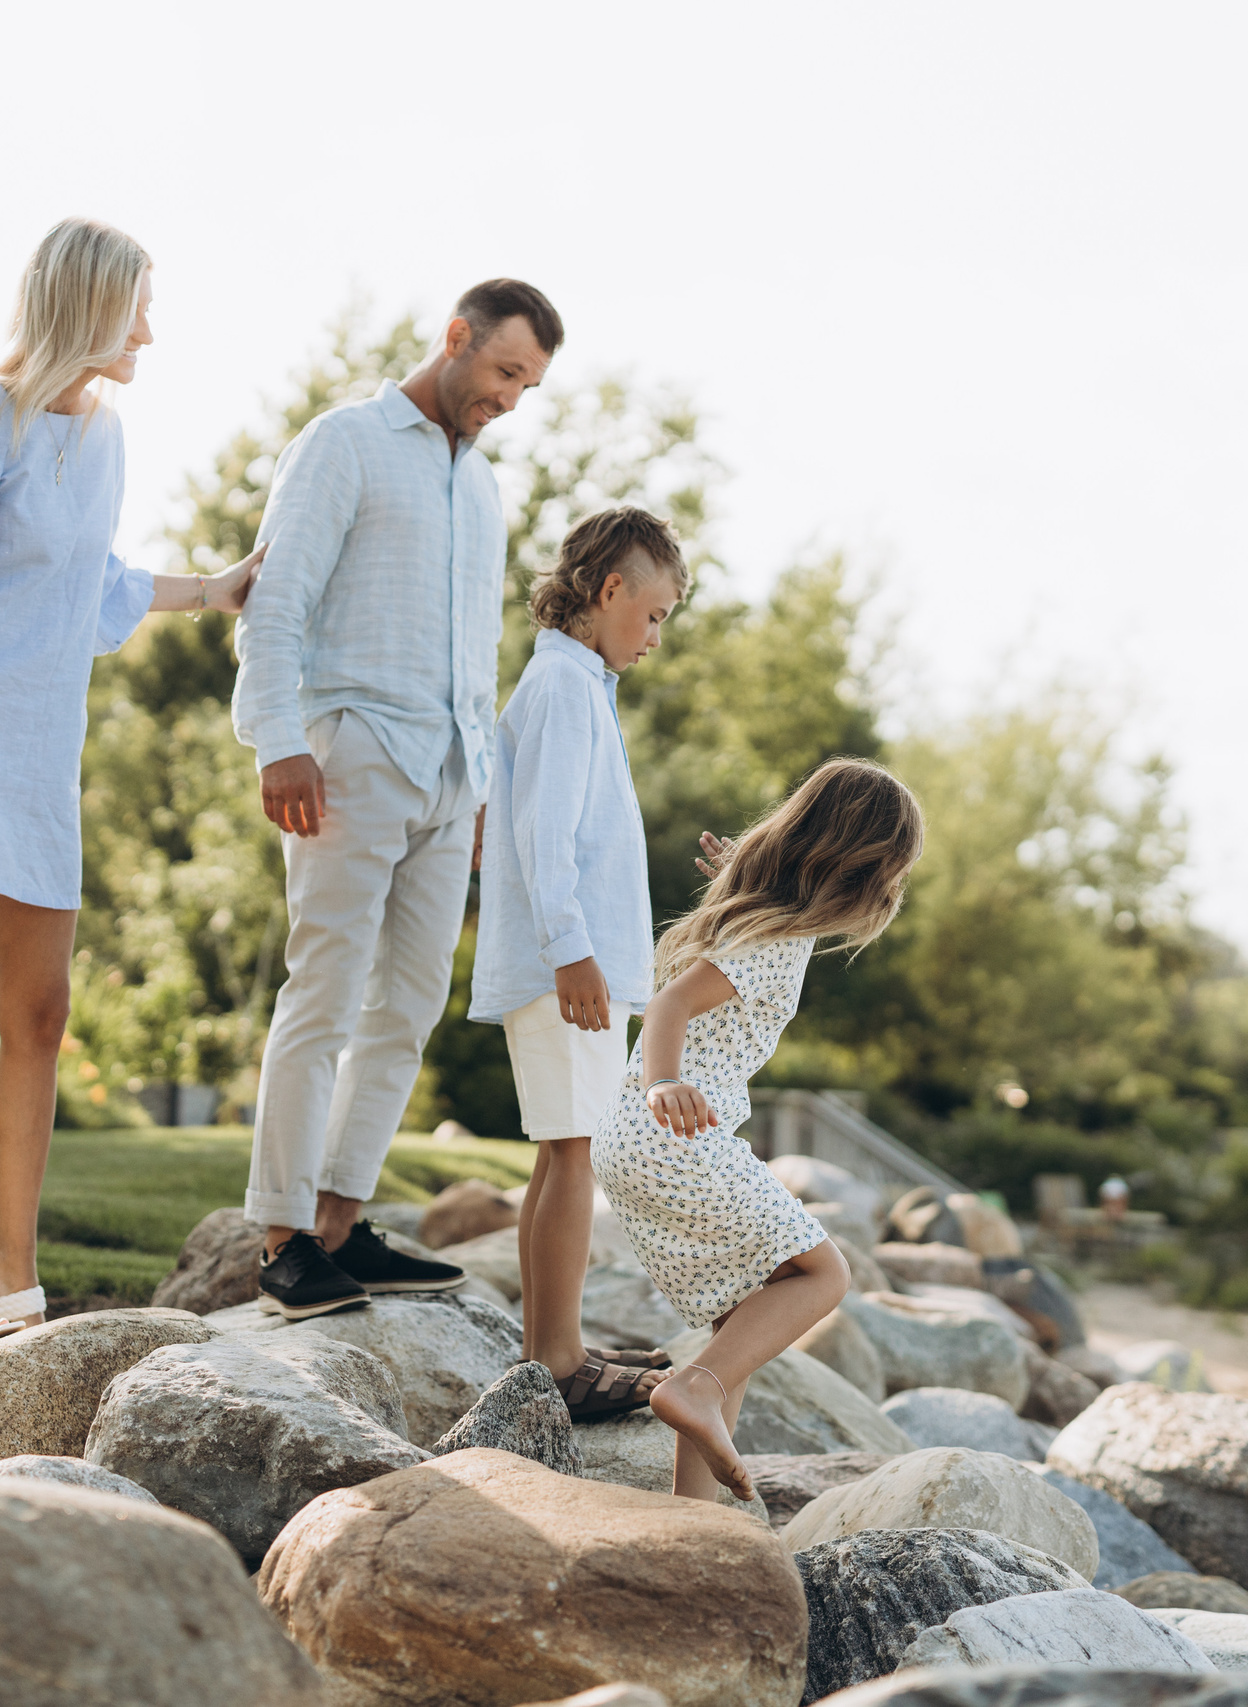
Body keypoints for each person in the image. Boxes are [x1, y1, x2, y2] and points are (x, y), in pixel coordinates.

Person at [0, 217, 258, 1376]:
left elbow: (89, 584)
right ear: (85, 305)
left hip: (36, 753)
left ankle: (5, 1266)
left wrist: (213, 589)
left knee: (38, 1016)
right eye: (137, 310)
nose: (149, 334)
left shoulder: (106, 434)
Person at [234, 279, 564, 1319]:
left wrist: (482, 788)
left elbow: (478, 650)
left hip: (450, 774)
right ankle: (283, 1240)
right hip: (351, 751)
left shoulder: (484, 486)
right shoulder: (344, 444)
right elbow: (276, 602)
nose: (509, 399)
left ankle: (340, 1223)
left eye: (529, 386)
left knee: (410, 1002)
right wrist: (278, 741)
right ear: (456, 337)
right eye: (504, 372)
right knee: (324, 991)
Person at [593, 759, 926, 1500]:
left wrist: (738, 875)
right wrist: (664, 1081)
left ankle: (694, 1510)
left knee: (740, 1315)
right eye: (889, 875)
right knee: (824, 1274)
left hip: (631, 1140)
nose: (888, 893)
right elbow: (671, 1005)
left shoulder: (752, 922)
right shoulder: (772, 941)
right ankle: (694, 1388)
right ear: (858, 868)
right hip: (677, 1136)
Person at [471, 507, 691, 1418]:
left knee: (562, 1151)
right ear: (608, 591)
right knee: (574, 1154)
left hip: (578, 964)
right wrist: (573, 952)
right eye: (654, 615)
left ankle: (546, 1349)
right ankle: (559, 1361)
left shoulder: (577, 684)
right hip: (570, 968)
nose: (654, 638)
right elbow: (542, 833)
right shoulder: (563, 686)